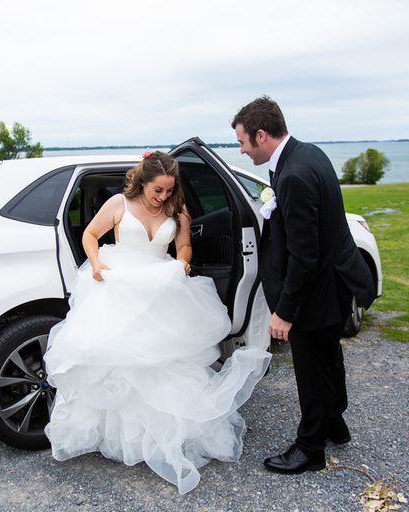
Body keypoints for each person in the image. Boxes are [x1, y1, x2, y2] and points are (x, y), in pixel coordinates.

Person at [43, 150, 271, 494]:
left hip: (161, 289)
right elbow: (89, 235)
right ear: (142, 181)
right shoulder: (118, 204)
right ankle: (119, 436)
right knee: (121, 363)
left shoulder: (177, 210)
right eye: (157, 190)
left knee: (167, 364)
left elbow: (184, 247)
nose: (163, 196)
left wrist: (182, 262)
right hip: (121, 287)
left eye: (169, 189)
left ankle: (166, 434)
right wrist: (96, 263)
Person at [232, 96, 376, 475]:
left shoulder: (293, 175)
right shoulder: (308, 153)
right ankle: (335, 425)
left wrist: (285, 312)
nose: (242, 150)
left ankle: (310, 448)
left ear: (261, 135)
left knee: (312, 371)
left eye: (243, 142)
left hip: (317, 290)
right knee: (329, 360)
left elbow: (304, 256)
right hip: (335, 282)